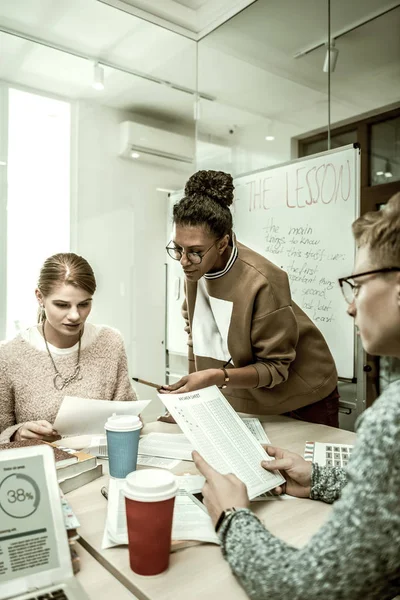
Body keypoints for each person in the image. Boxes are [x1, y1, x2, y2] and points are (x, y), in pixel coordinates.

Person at [193, 193, 400, 600]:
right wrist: (321, 478)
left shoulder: (391, 418)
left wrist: (232, 517)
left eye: (357, 285)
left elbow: (307, 588)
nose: (351, 308)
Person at [161, 170, 339, 427]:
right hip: (243, 390)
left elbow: (276, 369)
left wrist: (214, 377)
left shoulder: (262, 280)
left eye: (195, 251)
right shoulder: (194, 270)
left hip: (302, 396)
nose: (184, 260)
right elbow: (197, 337)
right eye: (178, 249)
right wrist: (188, 400)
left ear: (222, 244)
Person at [0, 252, 137, 444]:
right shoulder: (9, 354)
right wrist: (17, 434)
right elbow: (2, 433)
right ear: (40, 297)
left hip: (104, 464)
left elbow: (130, 416)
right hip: (39, 468)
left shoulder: (110, 342)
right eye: (62, 305)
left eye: (84, 304)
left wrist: (132, 421)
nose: (75, 315)